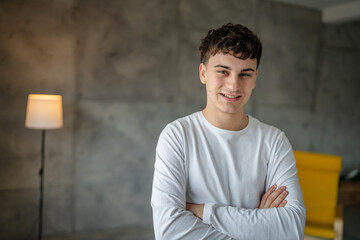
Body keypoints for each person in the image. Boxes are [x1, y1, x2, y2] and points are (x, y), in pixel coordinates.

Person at [151, 23, 306, 240]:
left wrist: (202, 211)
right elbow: (169, 232)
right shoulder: (177, 135)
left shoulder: (274, 141)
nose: (233, 85)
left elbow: (292, 229)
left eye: (245, 74)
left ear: (255, 79)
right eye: (223, 71)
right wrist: (258, 227)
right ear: (203, 73)